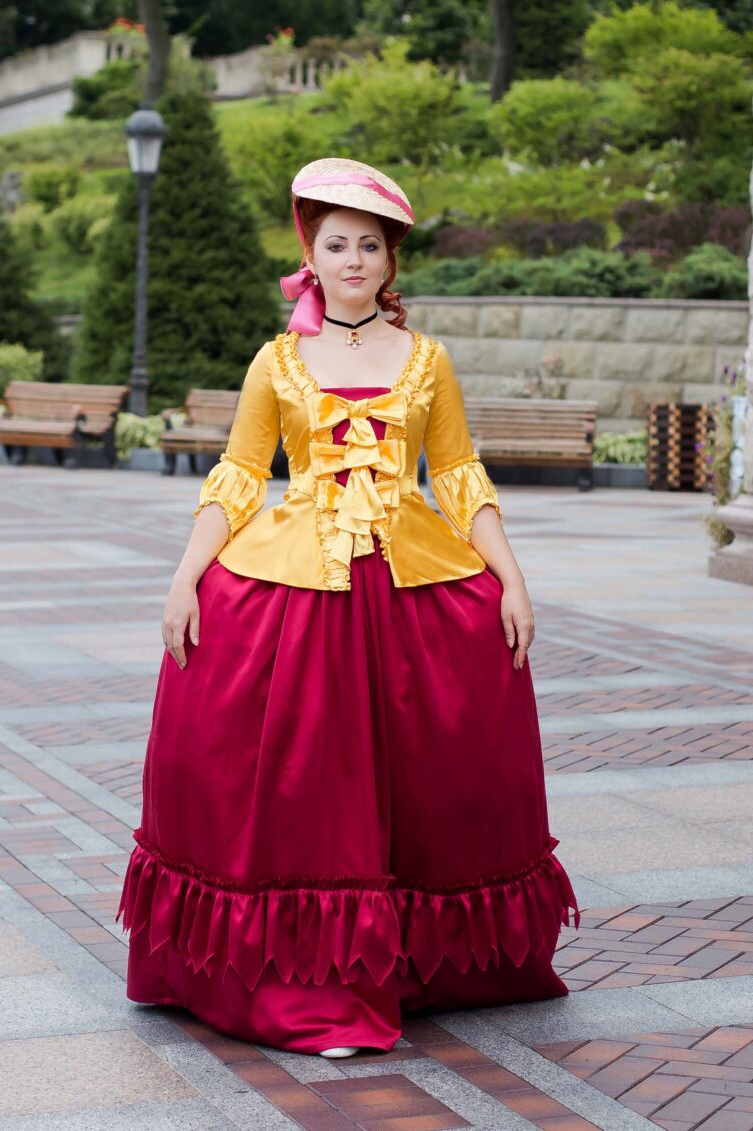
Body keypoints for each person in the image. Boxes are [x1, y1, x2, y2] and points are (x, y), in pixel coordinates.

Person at [115, 156, 581, 1058]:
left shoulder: (427, 360)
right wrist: (184, 576)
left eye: (370, 245)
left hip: (408, 589)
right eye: (337, 244)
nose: (355, 259)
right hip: (299, 595)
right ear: (311, 257)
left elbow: (454, 474)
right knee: (307, 792)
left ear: (390, 259)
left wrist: (512, 576)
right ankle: (312, 983)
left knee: (425, 772)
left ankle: (422, 964)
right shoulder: (278, 361)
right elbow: (242, 477)